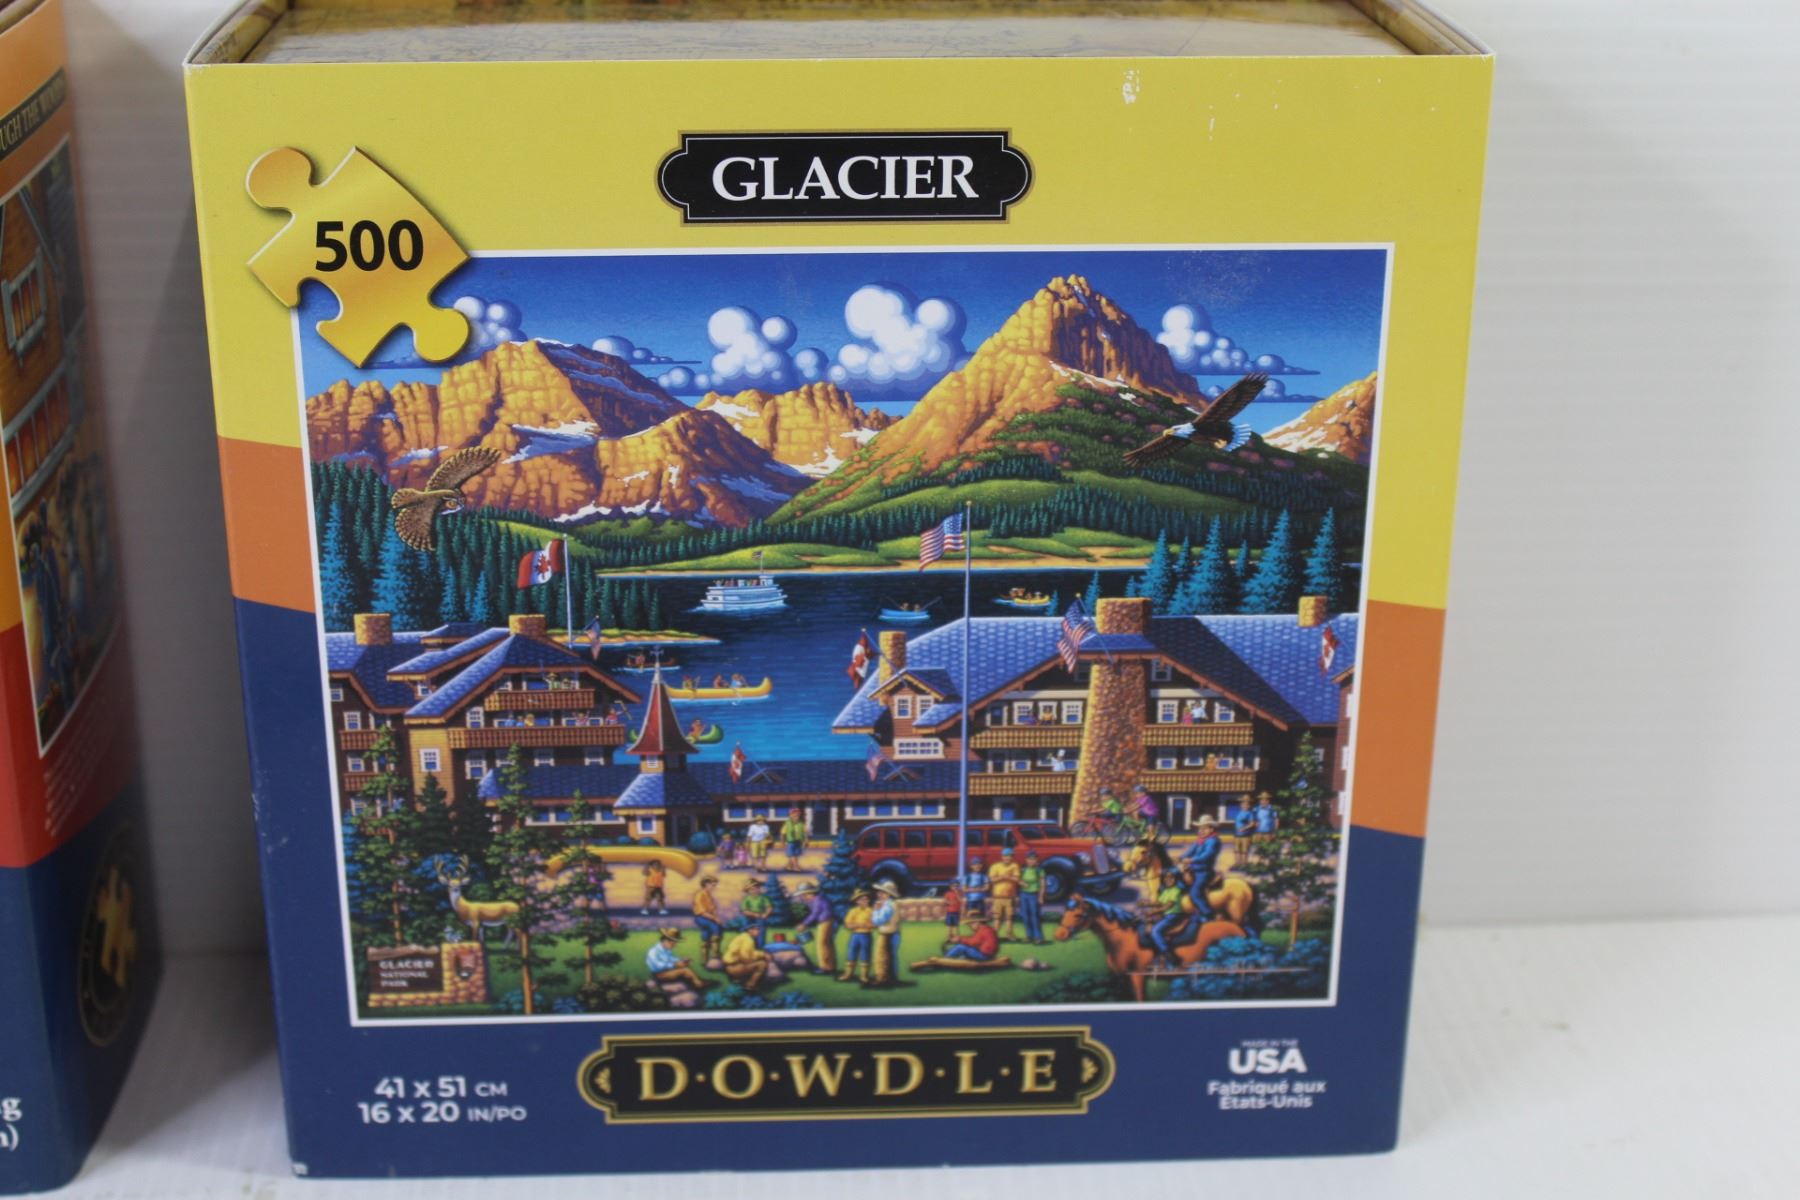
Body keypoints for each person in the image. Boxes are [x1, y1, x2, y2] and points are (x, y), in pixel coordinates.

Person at [645, 927, 713, 992]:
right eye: (673, 944)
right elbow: (658, 965)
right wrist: (674, 965)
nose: (675, 946)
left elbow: (671, 958)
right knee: (684, 970)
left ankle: (697, 981)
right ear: (666, 941)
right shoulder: (653, 951)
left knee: (685, 966)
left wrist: (681, 960)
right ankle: (699, 984)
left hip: (666, 971)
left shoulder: (666, 950)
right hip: (659, 974)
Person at [1146, 870, 1189, 972]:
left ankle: (1171, 957)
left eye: (1171, 878)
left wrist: (1154, 912)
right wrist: (1146, 904)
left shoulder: (1176, 890)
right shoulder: (1165, 891)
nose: (1168, 880)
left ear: (1175, 879)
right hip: (1166, 916)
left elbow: (1168, 905)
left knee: (1156, 931)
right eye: (1166, 878)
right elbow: (1159, 903)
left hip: (1173, 916)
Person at [1181, 816, 1223, 920]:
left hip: (1203, 871)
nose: (1201, 831)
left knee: (1195, 893)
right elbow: (1190, 851)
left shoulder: (1213, 841)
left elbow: (1207, 855)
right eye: (1199, 829)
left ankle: (1207, 913)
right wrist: (1181, 857)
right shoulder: (1199, 840)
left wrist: (1192, 860)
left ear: (1211, 829)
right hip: (1193, 869)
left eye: (1204, 828)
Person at [793, 881, 836, 974]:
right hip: (827, 921)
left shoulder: (817, 900)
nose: (803, 897)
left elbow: (814, 914)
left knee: (821, 944)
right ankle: (830, 966)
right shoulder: (816, 899)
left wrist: (804, 924)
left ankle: (824, 967)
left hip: (825, 922)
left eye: (804, 895)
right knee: (827, 944)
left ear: (811, 893)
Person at [869, 879, 902, 987]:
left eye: (882, 893)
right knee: (891, 957)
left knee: (882, 957)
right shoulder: (892, 904)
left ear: (889, 894)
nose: (879, 894)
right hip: (894, 933)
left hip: (887, 934)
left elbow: (878, 921)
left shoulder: (887, 906)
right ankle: (891, 978)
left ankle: (882, 978)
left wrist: (875, 911)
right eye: (879, 892)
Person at [838, 889, 875, 984]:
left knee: (865, 954)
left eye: (866, 899)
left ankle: (864, 975)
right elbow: (848, 924)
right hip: (855, 935)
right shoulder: (853, 911)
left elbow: (873, 924)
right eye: (862, 899)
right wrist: (861, 925)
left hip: (866, 935)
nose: (865, 901)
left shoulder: (871, 911)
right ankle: (848, 974)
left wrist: (860, 925)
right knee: (851, 952)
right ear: (857, 901)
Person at [986, 846, 1022, 940]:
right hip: (997, 897)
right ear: (1002, 856)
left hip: (1010, 897)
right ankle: (994, 935)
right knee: (997, 917)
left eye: (1010, 856)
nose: (1007, 858)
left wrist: (1006, 877)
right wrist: (1003, 877)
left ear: (1012, 857)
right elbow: (992, 880)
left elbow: (1017, 879)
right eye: (1005, 856)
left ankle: (1009, 934)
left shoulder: (1014, 866)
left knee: (1009, 917)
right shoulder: (995, 866)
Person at [692, 876, 723, 963]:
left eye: (715, 885)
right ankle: (715, 954)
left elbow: (713, 910)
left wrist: (716, 917)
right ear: (706, 884)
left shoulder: (710, 896)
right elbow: (702, 912)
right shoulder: (699, 895)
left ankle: (704, 959)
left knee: (706, 934)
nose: (714, 887)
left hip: (708, 918)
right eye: (712, 885)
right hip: (701, 917)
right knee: (715, 928)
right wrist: (715, 919)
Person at [1018, 850, 1047, 944]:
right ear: (1026, 860)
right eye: (1029, 859)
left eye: (1034, 859)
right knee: (1025, 916)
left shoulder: (1039, 870)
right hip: (1023, 894)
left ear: (1037, 860)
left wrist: (1041, 896)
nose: (1031, 861)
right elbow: (1018, 879)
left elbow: (1043, 885)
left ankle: (1038, 937)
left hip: (1034, 895)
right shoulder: (1023, 869)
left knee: (1035, 916)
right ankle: (1029, 935)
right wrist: (1021, 882)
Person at [739, 877, 774, 945]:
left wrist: (765, 914)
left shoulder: (763, 898)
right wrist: (754, 914)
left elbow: (769, 907)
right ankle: (746, 944)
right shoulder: (747, 899)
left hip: (760, 916)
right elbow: (744, 911)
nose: (755, 891)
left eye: (757, 888)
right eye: (752, 889)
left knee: (761, 929)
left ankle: (760, 945)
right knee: (745, 928)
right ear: (748, 891)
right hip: (749, 917)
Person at [960, 856, 989, 922]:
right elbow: (964, 889)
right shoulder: (968, 877)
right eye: (975, 864)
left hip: (980, 900)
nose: (977, 866)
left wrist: (975, 889)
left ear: (981, 866)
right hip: (971, 901)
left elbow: (987, 888)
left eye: (979, 864)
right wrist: (975, 889)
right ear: (971, 866)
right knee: (971, 919)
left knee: (981, 918)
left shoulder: (983, 876)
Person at [1232, 795, 1257, 864]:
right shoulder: (1238, 813)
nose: (1245, 806)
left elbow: (1252, 823)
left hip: (1245, 835)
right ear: (1241, 805)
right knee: (1236, 850)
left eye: (1247, 804)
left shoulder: (1250, 813)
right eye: (1243, 804)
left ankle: (1244, 864)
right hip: (1237, 834)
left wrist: (1244, 828)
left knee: (1244, 850)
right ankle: (1237, 863)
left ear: (1249, 805)